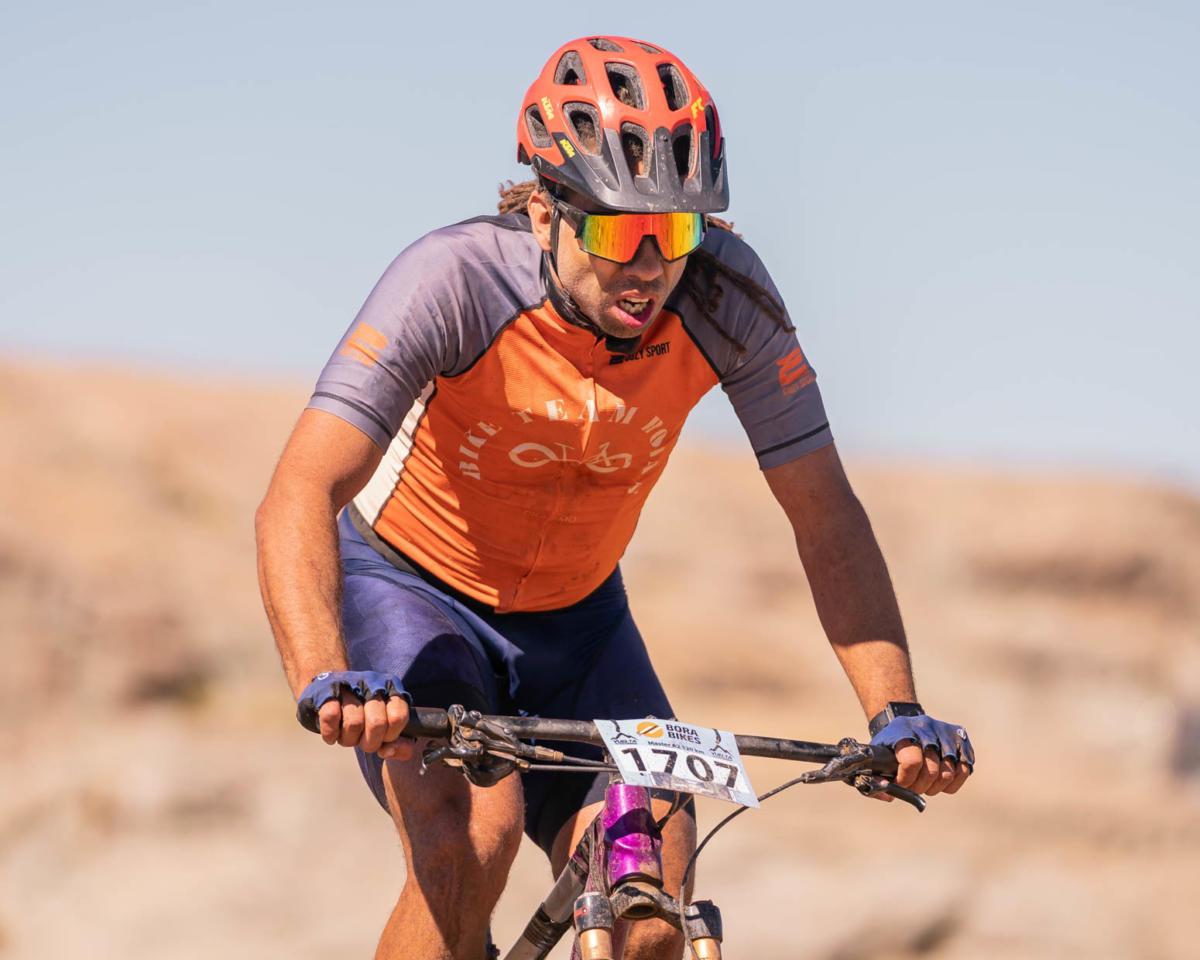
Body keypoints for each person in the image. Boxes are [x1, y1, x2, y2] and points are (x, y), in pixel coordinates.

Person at [255, 35, 974, 960]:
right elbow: (299, 490)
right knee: (471, 838)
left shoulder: (726, 300)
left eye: (674, 234)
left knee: (653, 895)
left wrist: (896, 711)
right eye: (617, 233)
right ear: (545, 210)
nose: (649, 268)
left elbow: (824, 512)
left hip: (581, 627)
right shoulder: (453, 281)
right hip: (411, 596)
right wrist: (326, 675)